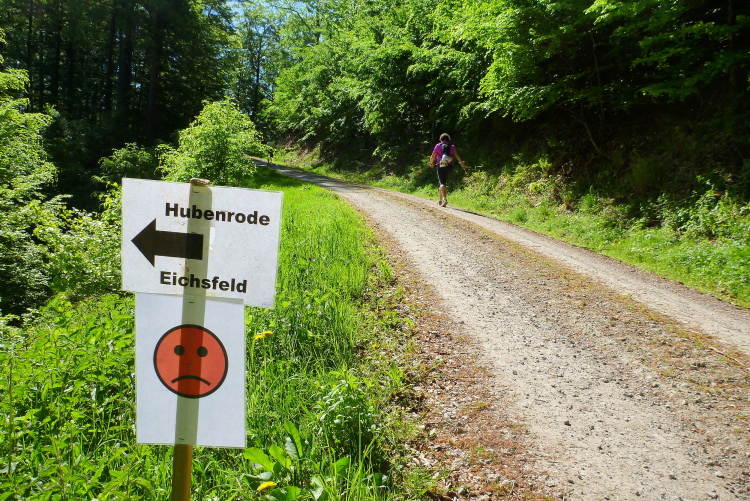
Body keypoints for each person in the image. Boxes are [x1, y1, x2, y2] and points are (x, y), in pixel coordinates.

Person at [429, 133, 466, 207]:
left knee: (442, 183)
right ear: (448, 139)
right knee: (443, 182)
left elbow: (433, 156)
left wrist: (431, 163)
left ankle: (444, 199)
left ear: (441, 139)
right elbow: (457, 156)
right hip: (449, 165)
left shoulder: (438, 146)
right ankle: (440, 200)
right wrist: (462, 164)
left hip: (441, 164)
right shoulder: (451, 146)